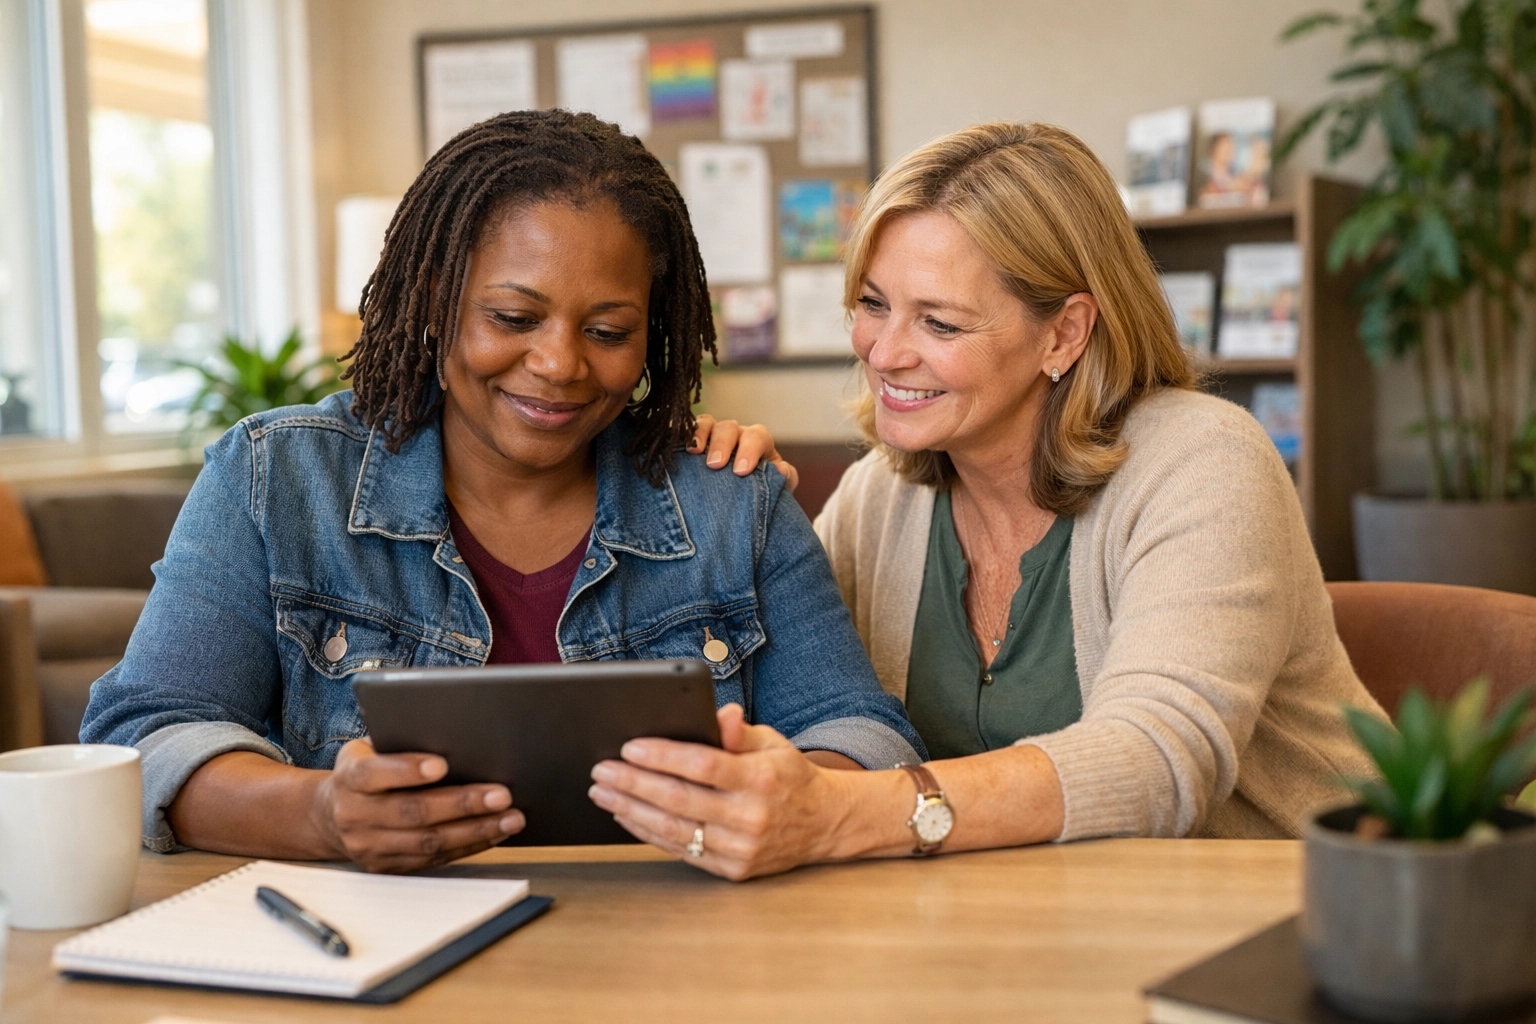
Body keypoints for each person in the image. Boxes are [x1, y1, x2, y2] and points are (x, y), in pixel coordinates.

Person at [79, 109, 924, 873]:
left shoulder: (731, 499)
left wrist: (797, 801)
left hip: (675, 956)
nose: (560, 365)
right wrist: (320, 814)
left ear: (655, 337)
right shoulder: (276, 479)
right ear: (436, 301)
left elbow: (864, 734)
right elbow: (143, 736)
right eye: (514, 319)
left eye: (607, 332)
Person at [589, 121, 1385, 879]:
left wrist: (847, 813)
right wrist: (729, 515)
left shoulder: (1203, 460)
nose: (885, 352)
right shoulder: (882, 495)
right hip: (1032, 929)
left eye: (938, 322)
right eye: (872, 304)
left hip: (1316, 919)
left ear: (1064, 334)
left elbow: (1155, 762)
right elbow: (779, 678)